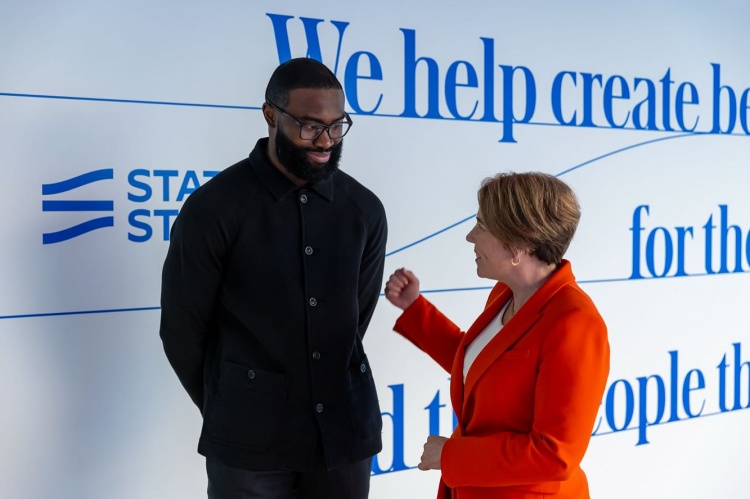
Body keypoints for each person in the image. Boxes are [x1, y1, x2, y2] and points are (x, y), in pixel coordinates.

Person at [160, 57, 387, 499]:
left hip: (343, 434)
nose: (326, 140)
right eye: (310, 126)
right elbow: (182, 330)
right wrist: (238, 402)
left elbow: (356, 317)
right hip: (248, 445)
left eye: (337, 125)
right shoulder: (214, 208)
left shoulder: (364, 210)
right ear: (270, 115)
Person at [384, 172, 610, 499]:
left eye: (482, 225)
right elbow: (482, 367)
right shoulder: (505, 294)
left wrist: (450, 455)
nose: (470, 237)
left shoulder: (575, 323)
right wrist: (415, 309)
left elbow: (554, 455)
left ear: (518, 244)